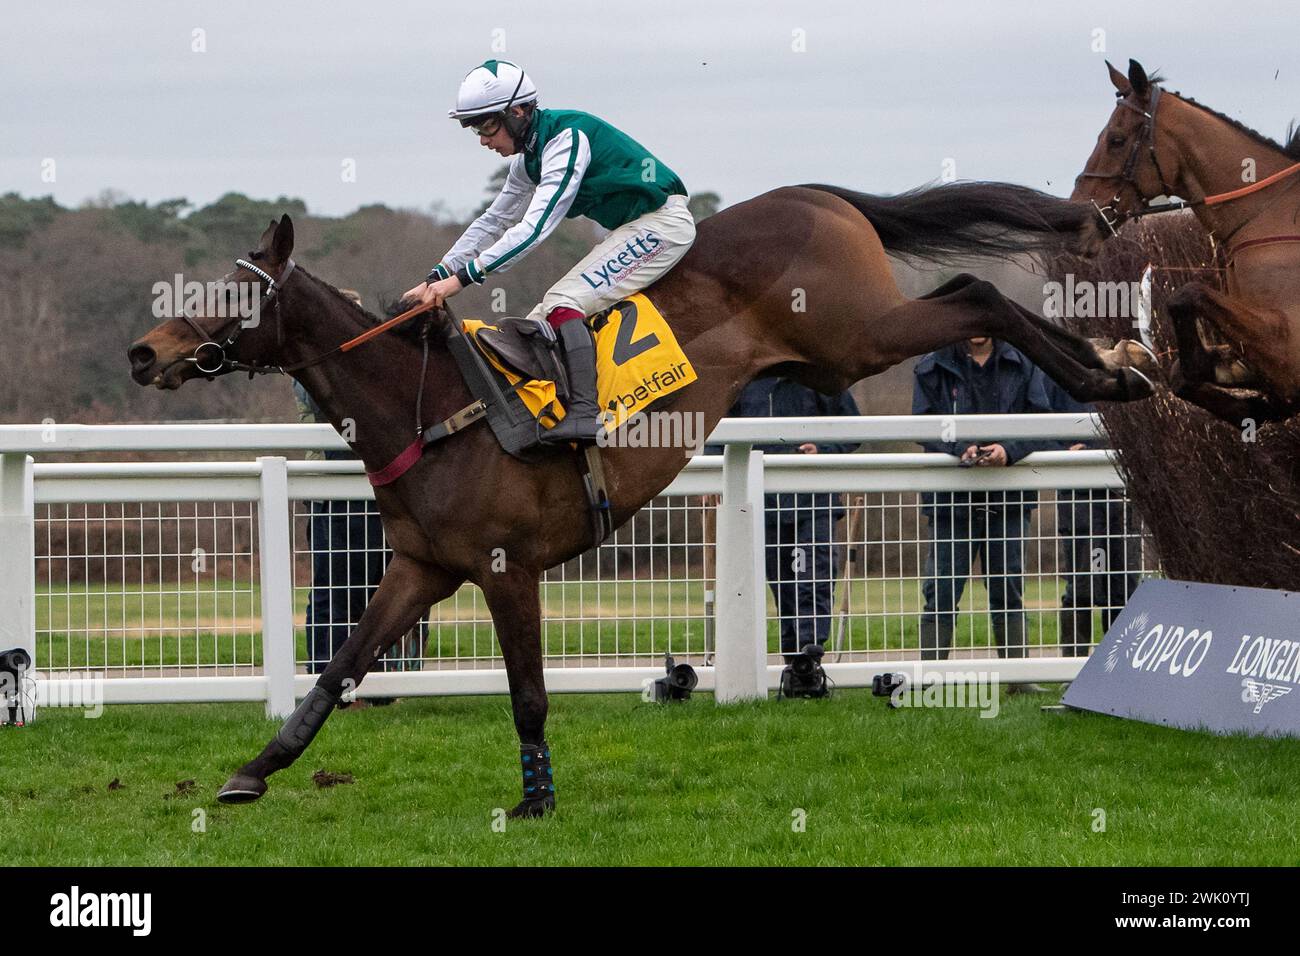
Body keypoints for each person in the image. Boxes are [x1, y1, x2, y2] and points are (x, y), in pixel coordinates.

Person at [404, 59, 696, 445]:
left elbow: (534, 230)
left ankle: (585, 416)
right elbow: (491, 221)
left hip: (663, 225)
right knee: (539, 317)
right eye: (475, 129)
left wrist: (462, 279)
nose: (483, 140)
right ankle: (552, 412)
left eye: (487, 126)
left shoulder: (567, 139)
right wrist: (437, 275)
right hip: (634, 228)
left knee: (563, 302)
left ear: (519, 112)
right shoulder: (529, 159)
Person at [295, 290, 427, 698]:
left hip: (384, 491)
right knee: (335, 590)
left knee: (387, 588)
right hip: (334, 494)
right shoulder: (312, 368)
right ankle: (328, 685)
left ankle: (387, 686)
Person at [912, 336, 1055, 667]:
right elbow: (922, 423)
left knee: (1008, 590)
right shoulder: (931, 364)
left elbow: (1041, 419)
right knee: (942, 592)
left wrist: (1009, 450)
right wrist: (959, 447)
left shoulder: (1023, 361)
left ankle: (1018, 678)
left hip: (1008, 497)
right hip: (951, 500)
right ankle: (930, 676)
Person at [708, 376, 860, 661]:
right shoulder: (744, 382)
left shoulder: (820, 375)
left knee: (813, 580)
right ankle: (792, 658)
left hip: (814, 500)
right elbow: (717, 433)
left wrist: (823, 449)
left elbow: (853, 429)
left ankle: (810, 657)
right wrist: (713, 475)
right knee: (782, 584)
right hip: (763, 503)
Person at [1042, 377, 1142, 655]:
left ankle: (1120, 668)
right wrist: (1061, 452)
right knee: (1082, 585)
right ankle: (1073, 669)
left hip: (1124, 488)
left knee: (1123, 585)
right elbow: (1036, 420)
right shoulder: (1056, 369)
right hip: (1078, 490)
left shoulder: (1128, 369)